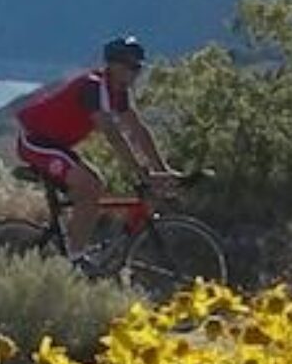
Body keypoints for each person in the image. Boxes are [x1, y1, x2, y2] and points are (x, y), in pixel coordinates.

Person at [14, 35, 181, 267]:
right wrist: (140, 172)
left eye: (139, 67)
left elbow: (137, 129)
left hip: (56, 145)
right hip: (36, 141)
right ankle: (73, 262)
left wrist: (162, 170)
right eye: (130, 66)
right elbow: (112, 134)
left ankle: (73, 253)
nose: (135, 72)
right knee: (91, 185)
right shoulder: (93, 87)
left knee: (93, 188)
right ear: (113, 65)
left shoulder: (118, 92)